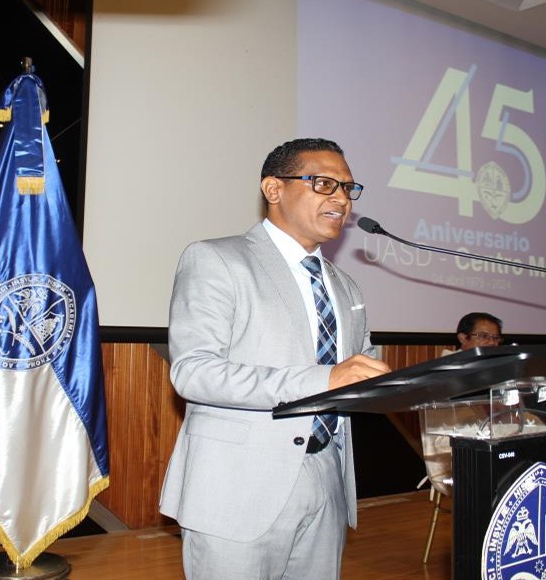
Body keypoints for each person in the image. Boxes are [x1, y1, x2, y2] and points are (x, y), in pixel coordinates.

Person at [159, 138, 391, 579]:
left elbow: (357, 368)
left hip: (327, 476)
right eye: (324, 184)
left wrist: (403, 385)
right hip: (237, 487)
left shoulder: (345, 286)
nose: (341, 199)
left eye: (347, 188)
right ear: (273, 189)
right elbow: (194, 373)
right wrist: (323, 380)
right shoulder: (216, 259)